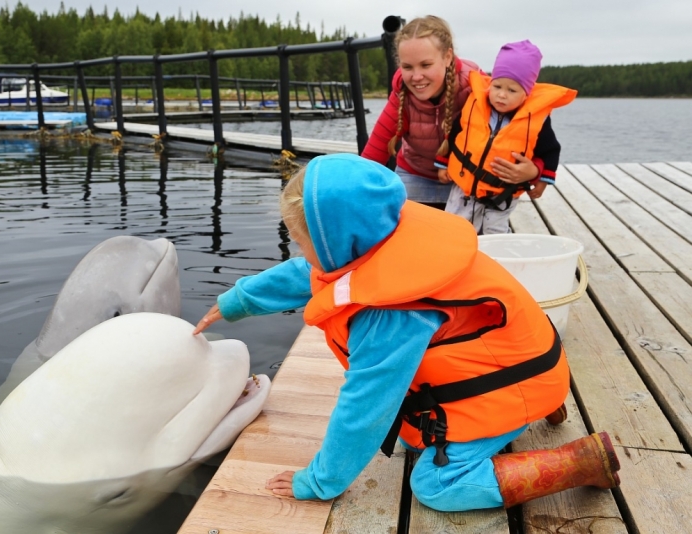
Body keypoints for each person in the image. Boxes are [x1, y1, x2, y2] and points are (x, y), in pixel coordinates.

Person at [192, 153, 621, 512]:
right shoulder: (383, 234)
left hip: (519, 383)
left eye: (300, 240)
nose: (298, 250)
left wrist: (321, 481)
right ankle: (542, 404)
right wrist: (238, 301)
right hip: (527, 358)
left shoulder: (393, 315)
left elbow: (366, 408)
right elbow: (310, 271)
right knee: (414, 439)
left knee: (436, 485)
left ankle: (579, 461)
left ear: (340, 245)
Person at [361, 16, 541, 210]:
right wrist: (354, 187)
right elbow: (374, 152)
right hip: (415, 175)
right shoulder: (402, 94)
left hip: (463, 178)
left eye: (426, 65)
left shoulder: (474, 86)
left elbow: (525, 130)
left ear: (447, 57)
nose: (416, 76)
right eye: (407, 67)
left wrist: (535, 170)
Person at [436, 40, 577, 234]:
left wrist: (543, 180)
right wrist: (443, 163)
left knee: (496, 234)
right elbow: (454, 134)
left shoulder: (537, 121)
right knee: (454, 229)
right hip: (463, 187)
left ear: (526, 94)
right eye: (497, 86)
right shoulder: (474, 105)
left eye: (512, 90)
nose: (502, 95)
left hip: (503, 194)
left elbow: (550, 151)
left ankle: (496, 250)